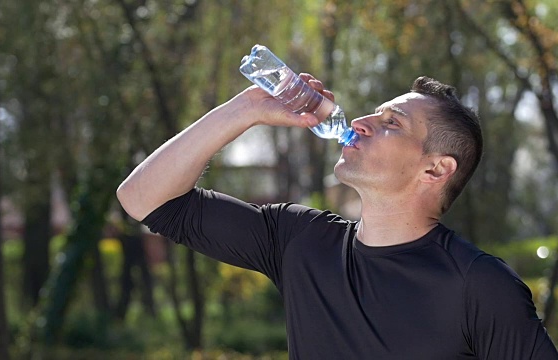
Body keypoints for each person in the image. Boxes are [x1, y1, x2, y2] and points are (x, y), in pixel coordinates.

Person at [117, 74, 558, 359]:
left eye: (392, 123)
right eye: (374, 113)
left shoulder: (479, 285)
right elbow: (145, 198)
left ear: (436, 169)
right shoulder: (300, 241)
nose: (362, 121)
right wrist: (247, 108)